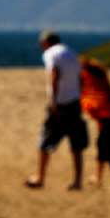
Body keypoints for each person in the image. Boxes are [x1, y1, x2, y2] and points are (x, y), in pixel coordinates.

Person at [26, 31, 88, 190]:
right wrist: (79, 96)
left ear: (46, 43)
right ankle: (78, 181)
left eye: (42, 44)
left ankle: (40, 178)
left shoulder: (50, 54)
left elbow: (55, 75)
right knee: (76, 143)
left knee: (46, 140)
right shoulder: (72, 53)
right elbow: (81, 78)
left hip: (60, 103)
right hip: (74, 102)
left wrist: (53, 101)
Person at [80, 57, 110, 192]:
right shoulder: (100, 77)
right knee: (102, 146)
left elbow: (90, 97)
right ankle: (98, 177)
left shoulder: (88, 76)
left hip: (108, 116)